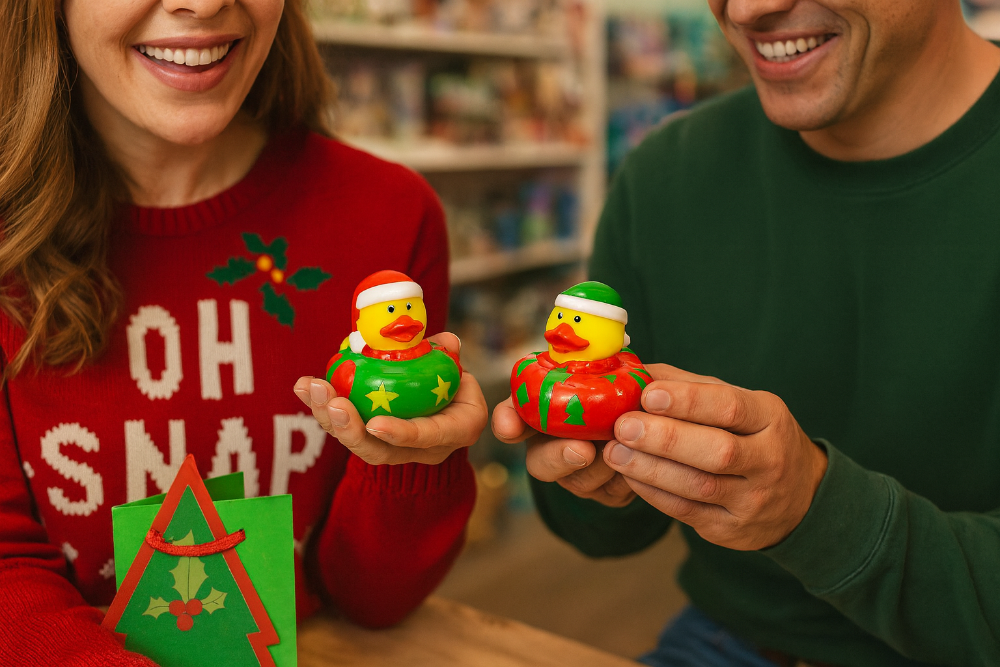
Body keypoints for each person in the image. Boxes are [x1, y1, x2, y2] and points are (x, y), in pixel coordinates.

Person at [494, 1, 1000, 666]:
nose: (746, 8)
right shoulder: (666, 175)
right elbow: (607, 532)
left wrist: (816, 513)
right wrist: (587, 468)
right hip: (723, 641)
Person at [0, 0, 487, 664]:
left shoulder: (389, 220)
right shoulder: (11, 243)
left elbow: (374, 599)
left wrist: (410, 464)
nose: (202, 3)